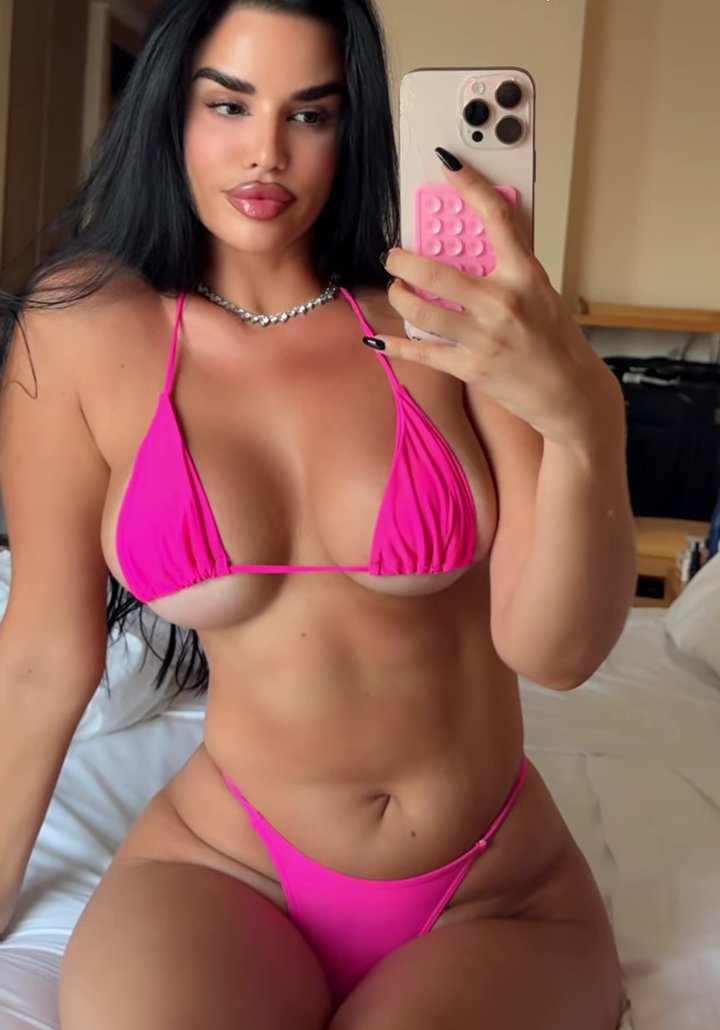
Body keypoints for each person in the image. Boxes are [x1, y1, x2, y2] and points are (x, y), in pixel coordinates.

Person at [0, 1, 636, 1027]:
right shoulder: (84, 331)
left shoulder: (447, 317)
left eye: (311, 112)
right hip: (225, 865)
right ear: (170, 110)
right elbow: (39, 654)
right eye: (229, 104)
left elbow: (554, 652)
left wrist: (585, 421)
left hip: (494, 893)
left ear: (355, 128)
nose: (266, 151)